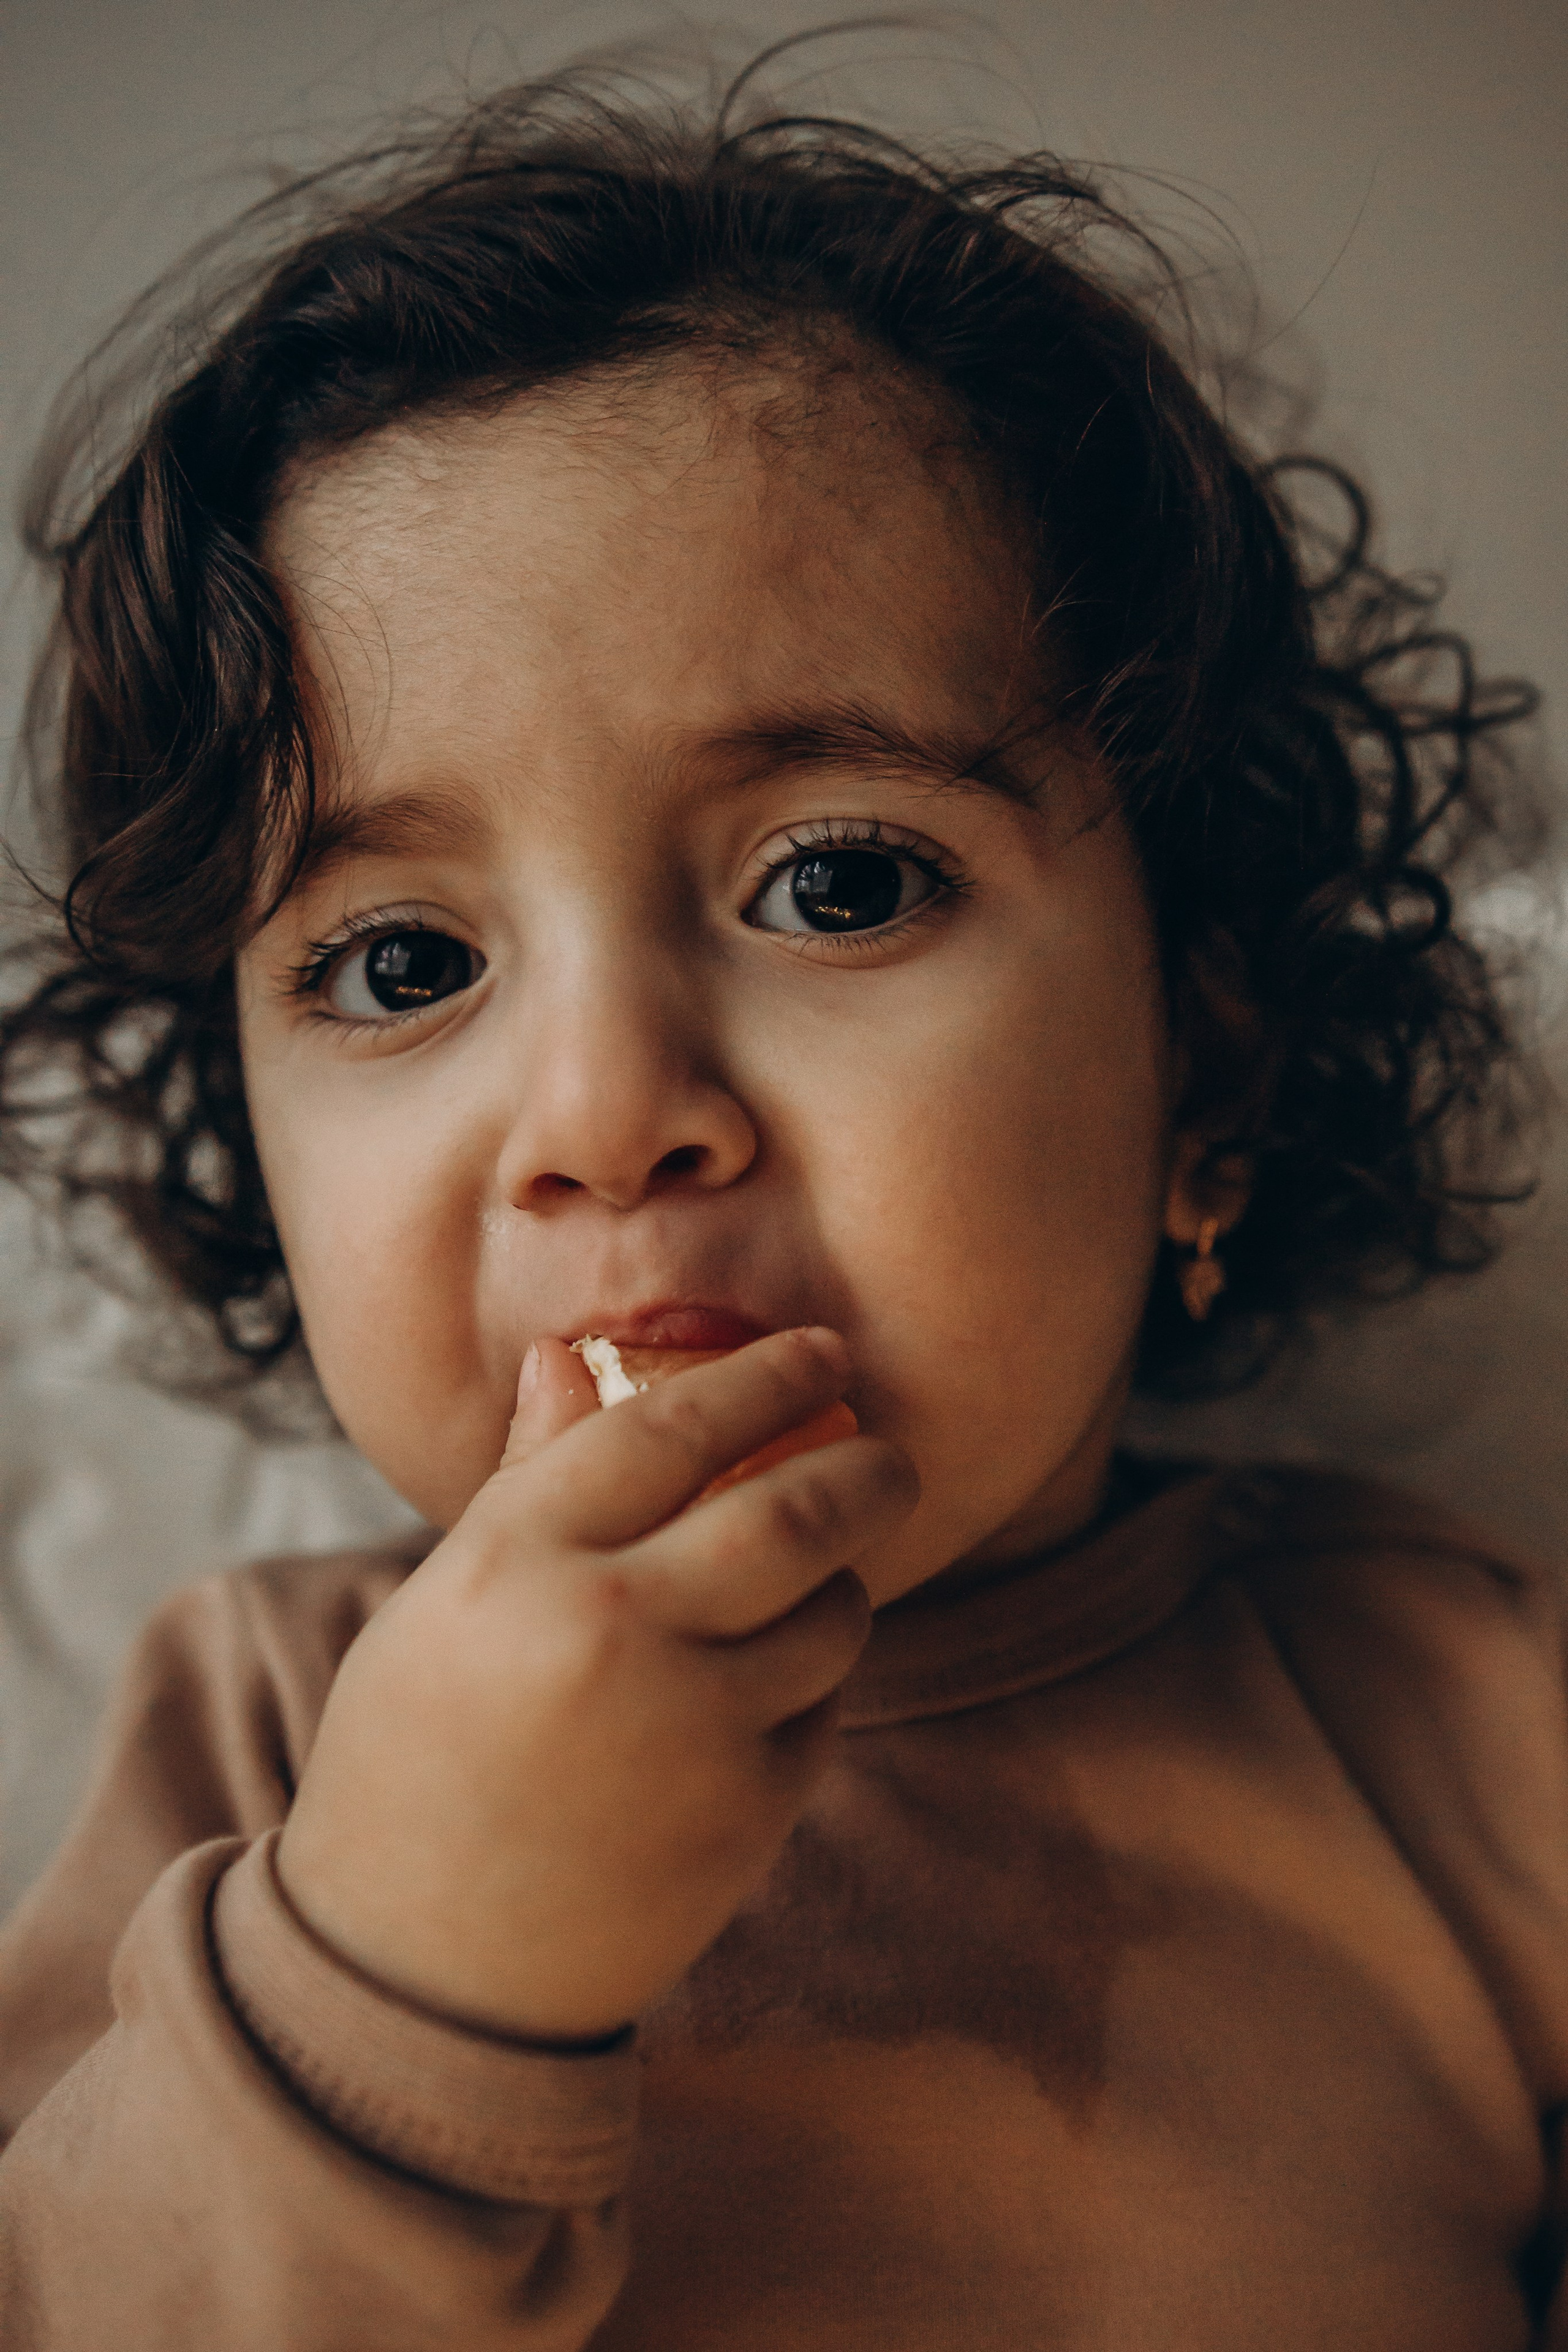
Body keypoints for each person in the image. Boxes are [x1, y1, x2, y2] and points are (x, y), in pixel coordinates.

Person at [0, 62, 1555, 2350]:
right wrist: (401, 1973)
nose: (610, 1115)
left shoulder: (1457, 1714)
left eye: (836, 882)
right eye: (403, 963)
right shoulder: (261, 1735)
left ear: (1206, 1069)